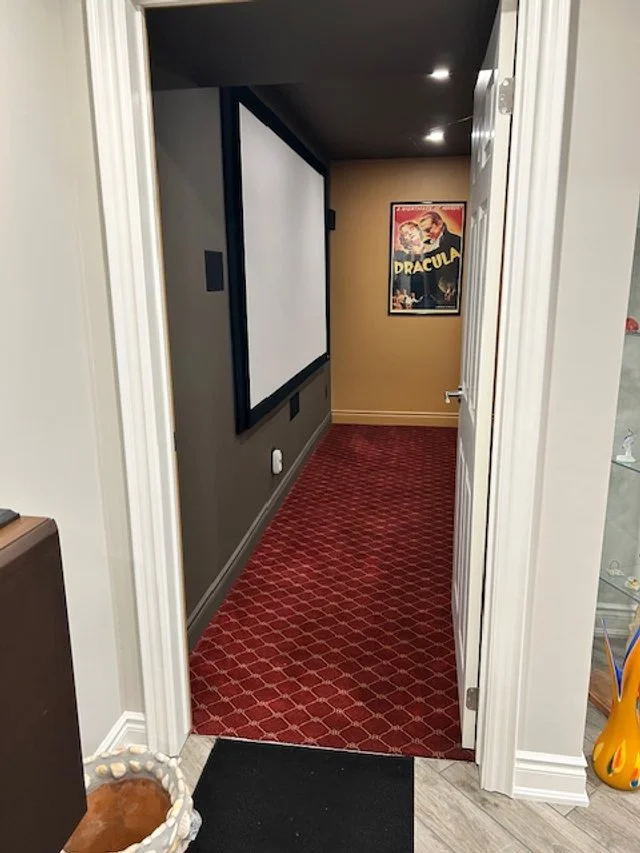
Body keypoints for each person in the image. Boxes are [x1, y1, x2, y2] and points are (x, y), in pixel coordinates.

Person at [418, 210, 462, 309]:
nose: (426, 234)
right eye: (423, 231)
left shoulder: (456, 241)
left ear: (439, 224)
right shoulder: (424, 246)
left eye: (428, 229)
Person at [391, 221, 429, 309]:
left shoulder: (432, 253)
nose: (410, 233)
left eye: (412, 229)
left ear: (419, 230)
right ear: (403, 239)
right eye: (406, 233)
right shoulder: (399, 257)